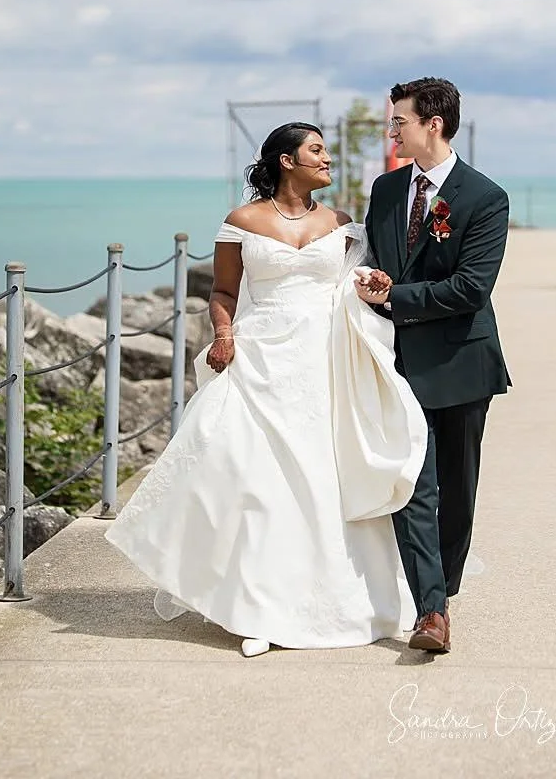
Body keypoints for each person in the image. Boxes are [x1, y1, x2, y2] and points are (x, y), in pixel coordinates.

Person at [106, 122, 427, 657]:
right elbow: (224, 292)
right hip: (262, 358)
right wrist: (225, 334)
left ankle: (347, 598)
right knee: (258, 481)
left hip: (327, 360)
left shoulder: (343, 224)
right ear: (286, 160)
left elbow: (354, 284)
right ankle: (259, 608)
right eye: (317, 151)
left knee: (325, 480)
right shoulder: (241, 223)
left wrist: (368, 289)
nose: (328, 160)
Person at [355, 78, 511, 654]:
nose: (391, 131)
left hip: (463, 362)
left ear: (433, 125)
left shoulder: (485, 198)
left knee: (458, 489)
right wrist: (372, 283)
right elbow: (379, 259)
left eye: (399, 121)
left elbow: (471, 288)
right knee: (414, 484)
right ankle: (432, 611)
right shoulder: (387, 189)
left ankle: (443, 585)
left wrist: (394, 295)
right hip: (398, 365)